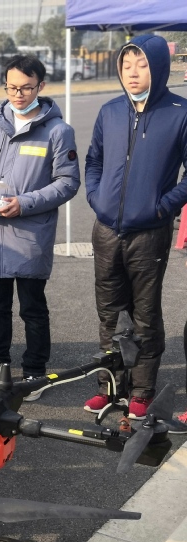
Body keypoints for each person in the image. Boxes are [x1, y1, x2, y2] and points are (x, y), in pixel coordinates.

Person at [84, 34, 187, 419]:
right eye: (126, 65)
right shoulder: (110, 110)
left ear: (158, 67)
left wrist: (163, 207)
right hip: (106, 230)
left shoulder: (179, 112)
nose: (132, 72)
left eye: (141, 65)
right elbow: (93, 160)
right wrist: (96, 198)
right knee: (110, 314)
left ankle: (142, 390)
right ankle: (111, 387)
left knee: (144, 315)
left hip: (149, 232)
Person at [0, 55, 80, 398]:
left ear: (40, 86)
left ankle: (34, 373)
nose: (18, 94)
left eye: (26, 88)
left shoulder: (58, 131)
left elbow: (67, 182)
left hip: (31, 233)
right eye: (12, 87)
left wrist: (24, 203)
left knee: (32, 308)